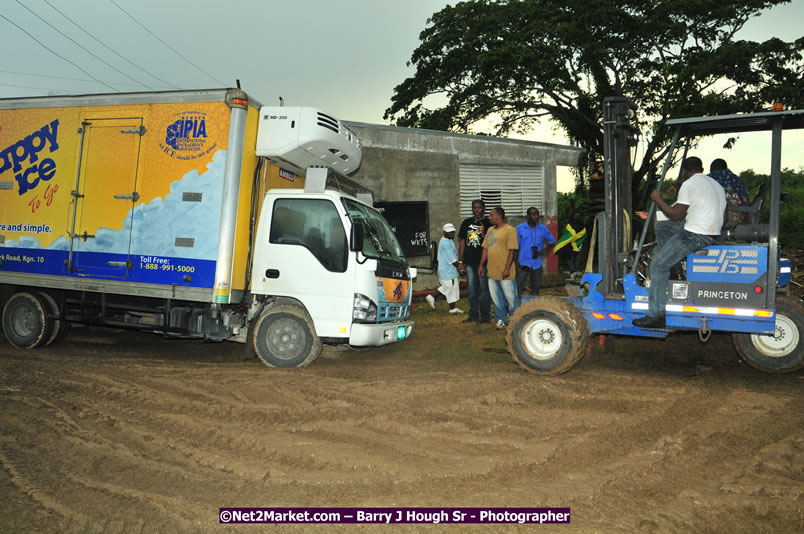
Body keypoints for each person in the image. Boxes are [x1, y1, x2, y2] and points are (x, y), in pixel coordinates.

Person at [633, 156, 726, 329]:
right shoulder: (716, 185)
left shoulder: (689, 184)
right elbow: (725, 217)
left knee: (657, 265)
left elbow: (675, 214)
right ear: (702, 168)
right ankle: (673, 264)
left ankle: (656, 315)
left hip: (695, 235)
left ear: (685, 171)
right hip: (712, 234)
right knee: (662, 225)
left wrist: (658, 199)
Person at [479, 207, 519, 329]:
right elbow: (486, 248)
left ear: (498, 216)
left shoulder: (510, 230)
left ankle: (515, 321)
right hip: (492, 272)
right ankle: (501, 319)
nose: (489, 217)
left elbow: (512, 250)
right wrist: (481, 265)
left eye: (491, 215)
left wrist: (507, 268)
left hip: (505, 272)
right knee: (497, 299)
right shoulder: (490, 230)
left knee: (511, 298)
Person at [458, 199, 492, 324]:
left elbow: (491, 243)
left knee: (484, 290)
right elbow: (462, 242)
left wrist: (483, 234)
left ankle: (485, 316)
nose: (476, 210)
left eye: (479, 207)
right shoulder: (466, 223)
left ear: (484, 208)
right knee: (472, 291)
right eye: (474, 207)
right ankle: (473, 315)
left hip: (484, 262)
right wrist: (460, 261)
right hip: (470, 262)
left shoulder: (489, 223)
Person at [515, 207, 555, 296]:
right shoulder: (520, 228)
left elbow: (552, 241)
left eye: (537, 214)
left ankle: (533, 305)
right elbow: (516, 247)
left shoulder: (543, 228)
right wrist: (516, 263)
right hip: (523, 263)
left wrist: (545, 251)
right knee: (518, 286)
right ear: (528, 216)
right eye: (533, 214)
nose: (536, 216)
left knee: (536, 287)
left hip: (537, 263)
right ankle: (515, 307)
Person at [426, 223, 464, 314]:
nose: (452, 234)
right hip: (446, 270)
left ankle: (452, 308)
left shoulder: (447, 240)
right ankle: (432, 296)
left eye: (452, 232)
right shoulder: (446, 243)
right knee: (449, 287)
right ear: (444, 232)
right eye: (449, 232)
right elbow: (452, 259)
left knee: (452, 288)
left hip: (449, 270)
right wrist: (460, 268)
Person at [709, 158, 750, 225]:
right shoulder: (737, 179)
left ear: (712, 170)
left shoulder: (710, 178)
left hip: (726, 217)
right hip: (743, 216)